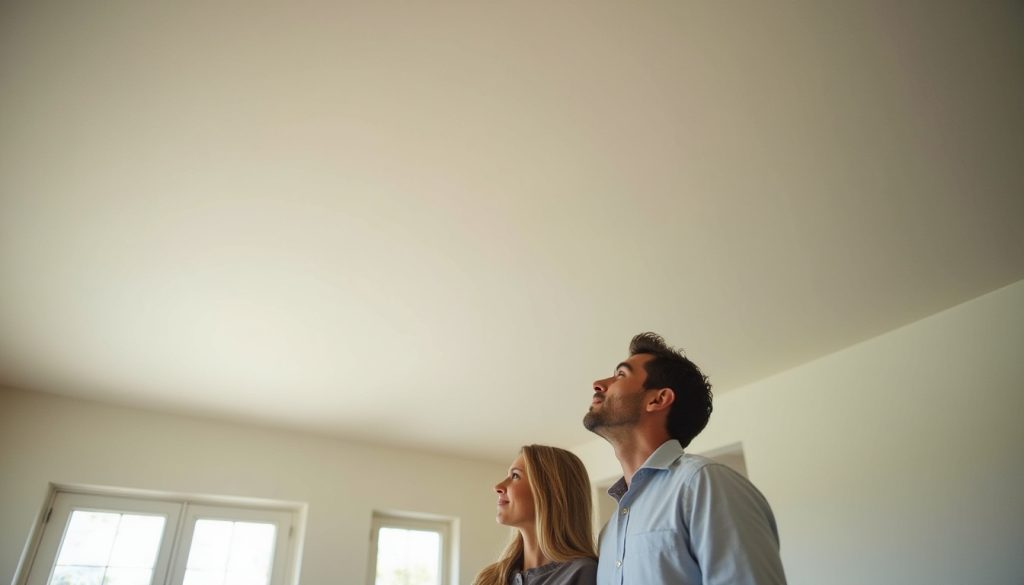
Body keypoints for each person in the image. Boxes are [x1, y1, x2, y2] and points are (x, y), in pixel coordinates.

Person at [583, 332, 787, 585]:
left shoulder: (706, 484)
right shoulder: (609, 532)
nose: (598, 383)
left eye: (621, 375)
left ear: (658, 399)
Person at [473, 444, 597, 585]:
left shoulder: (584, 573)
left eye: (515, 476)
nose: (498, 487)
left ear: (549, 491)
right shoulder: (489, 578)